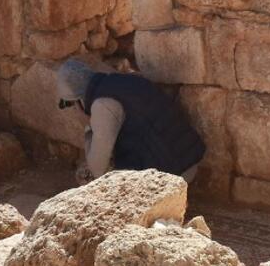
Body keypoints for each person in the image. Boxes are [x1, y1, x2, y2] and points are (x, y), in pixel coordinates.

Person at [56, 59, 206, 183]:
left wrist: (89, 128)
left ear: (78, 100)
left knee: (87, 176)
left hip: (172, 176)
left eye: (71, 104)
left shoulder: (102, 105)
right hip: (187, 161)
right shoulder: (123, 81)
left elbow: (97, 168)